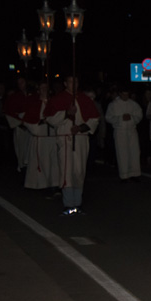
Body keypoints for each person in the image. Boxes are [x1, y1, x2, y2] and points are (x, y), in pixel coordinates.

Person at [45, 77, 101, 215]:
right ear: (65, 83)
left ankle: (78, 204)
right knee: (67, 171)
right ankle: (68, 204)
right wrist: (66, 114)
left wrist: (81, 128)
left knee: (79, 171)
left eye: (76, 81)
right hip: (65, 138)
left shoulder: (85, 99)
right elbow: (50, 118)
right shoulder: (58, 99)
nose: (74, 84)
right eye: (70, 81)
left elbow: (94, 119)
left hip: (81, 139)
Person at [22, 80, 60, 191]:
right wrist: (38, 127)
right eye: (42, 88)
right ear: (38, 90)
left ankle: (54, 185)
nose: (44, 90)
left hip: (52, 138)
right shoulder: (34, 104)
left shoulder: (53, 103)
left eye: (46, 88)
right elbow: (27, 120)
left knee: (54, 164)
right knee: (42, 164)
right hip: (40, 138)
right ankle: (41, 185)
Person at [105, 85, 143, 182]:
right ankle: (124, 175)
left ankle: (135, 173)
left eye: (127, 95)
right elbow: (108, 117)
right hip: (120, 131)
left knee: (134, 151)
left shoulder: (133, 104)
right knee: (122, 153)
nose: (125, 96)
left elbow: (139, 115)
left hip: (131, 130)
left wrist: (132, 118)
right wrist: (120, 118)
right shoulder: (113, 104)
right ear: (120, 94)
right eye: (124, 94)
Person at [3, 77, 32, 172]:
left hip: (32, 126)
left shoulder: (32, 95)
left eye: (22, 82)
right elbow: (8, 112)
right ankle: (23, 169)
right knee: (21, 149)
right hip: (21, 127)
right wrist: (20, 124)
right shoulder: (14, 97)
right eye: (18, 83)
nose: (21, 85)